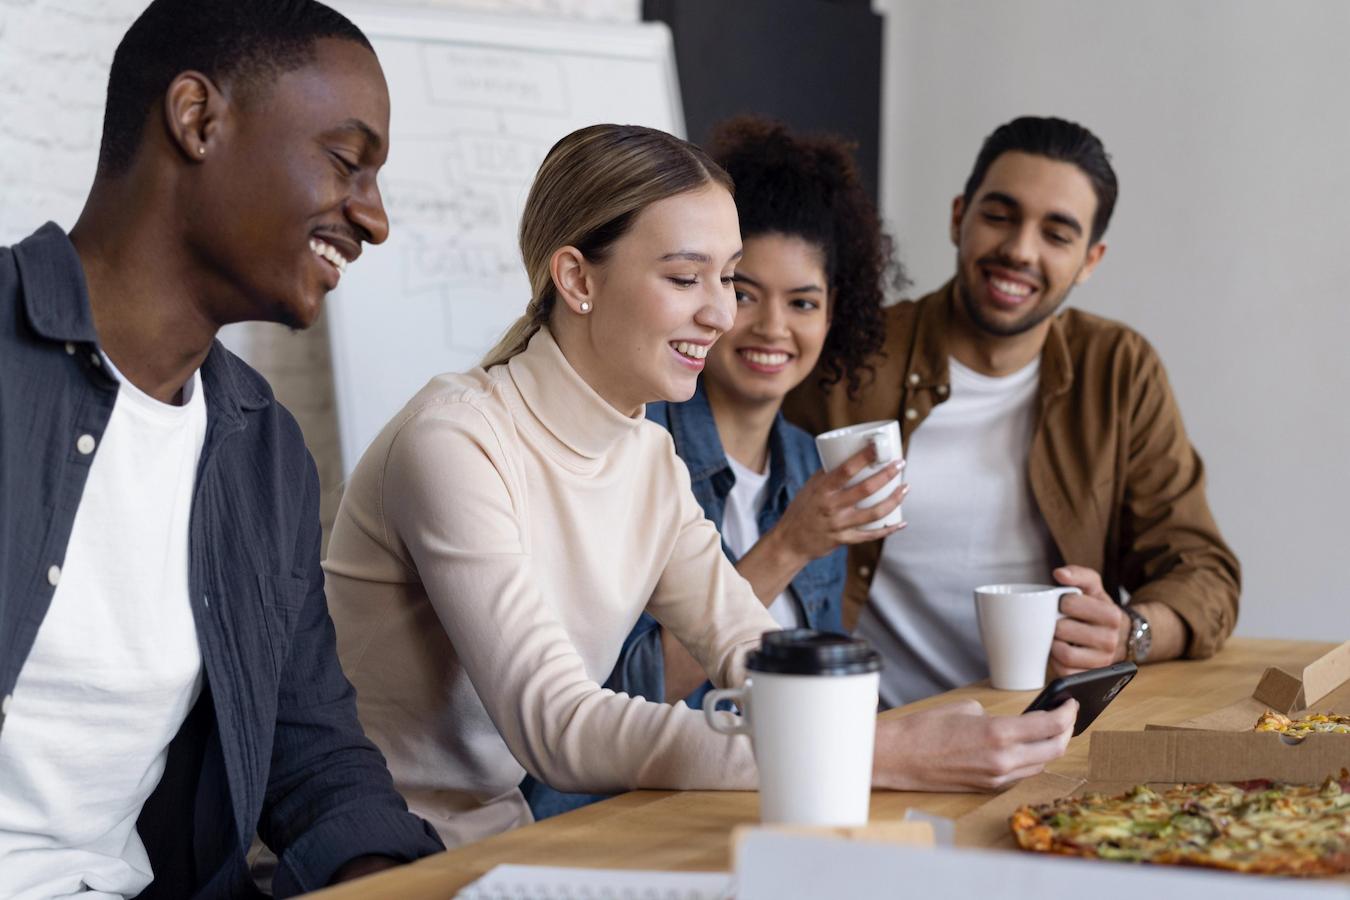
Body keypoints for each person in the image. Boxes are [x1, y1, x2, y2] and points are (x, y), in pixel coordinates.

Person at [325, 122, 1077, 850]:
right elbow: (558, 729)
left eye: (725, 277)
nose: (721, 313)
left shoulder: (647, 457)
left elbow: (750, 648)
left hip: (502, 843)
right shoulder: (455, 442)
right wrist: (874, 751)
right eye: (687, 278)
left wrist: (891, 729)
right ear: (577, 278)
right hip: (385, 859)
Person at [0, 2, 443, 896]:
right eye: (347, 162)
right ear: (198, 119)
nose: (375, 218)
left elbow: (310, 749)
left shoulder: (260, 451)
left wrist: (384, 876)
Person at [522, 115, 907, 819]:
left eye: (803, 303)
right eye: (740, 286)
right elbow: (609, 702)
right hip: (625, 816)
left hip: (752, 800)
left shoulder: (805, 464)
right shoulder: (634, 443)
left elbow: (797, 670)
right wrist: (791, 544)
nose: (756, 323)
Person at [786, 116, 1241, 708]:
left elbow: (1205, 573)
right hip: (870, 731)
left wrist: (1131, 633)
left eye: (1057, 234)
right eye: (1000, 216)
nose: (1019, 250)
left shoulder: (1119, 370)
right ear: (959, 217)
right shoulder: (853, 356)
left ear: (1090, 260)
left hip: (1045, 730)